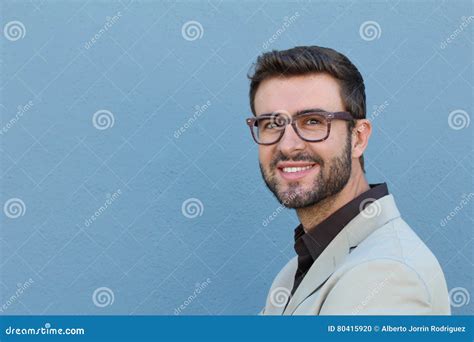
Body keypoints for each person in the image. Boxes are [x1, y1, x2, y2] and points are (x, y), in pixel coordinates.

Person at [245, 46, 451, 315]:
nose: (288, 145)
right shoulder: (296, 271)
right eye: (272, 124)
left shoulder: (388, 275)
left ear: (359, 137)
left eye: (313, 121)